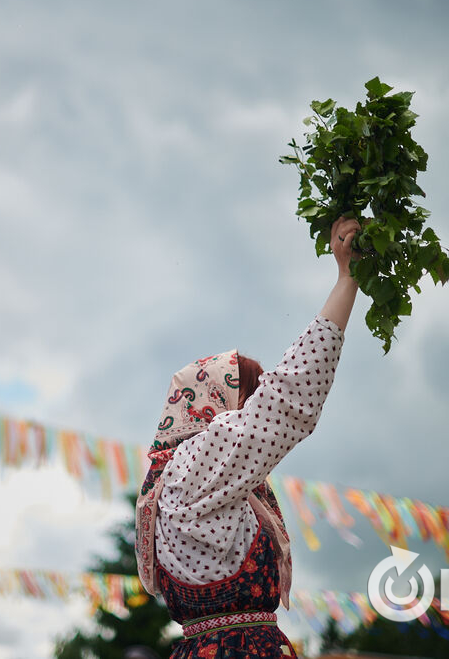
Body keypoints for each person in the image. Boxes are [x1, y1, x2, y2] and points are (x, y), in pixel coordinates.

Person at [135, 217, 362, 658]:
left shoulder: (175, 480)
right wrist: (346, 280)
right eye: (247, 400)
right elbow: (289, 399)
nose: (248, 417)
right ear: (216, 406)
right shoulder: (195, 464)